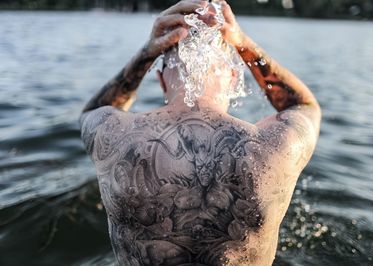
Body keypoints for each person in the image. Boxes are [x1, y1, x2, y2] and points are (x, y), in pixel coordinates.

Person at [80, 0, 321, 265]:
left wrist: (146, 53)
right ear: (232, 77)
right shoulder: (277, 144)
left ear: (161, 81)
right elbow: (303, 105)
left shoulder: (114, 135)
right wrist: (244, 45)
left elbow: (95, 110)